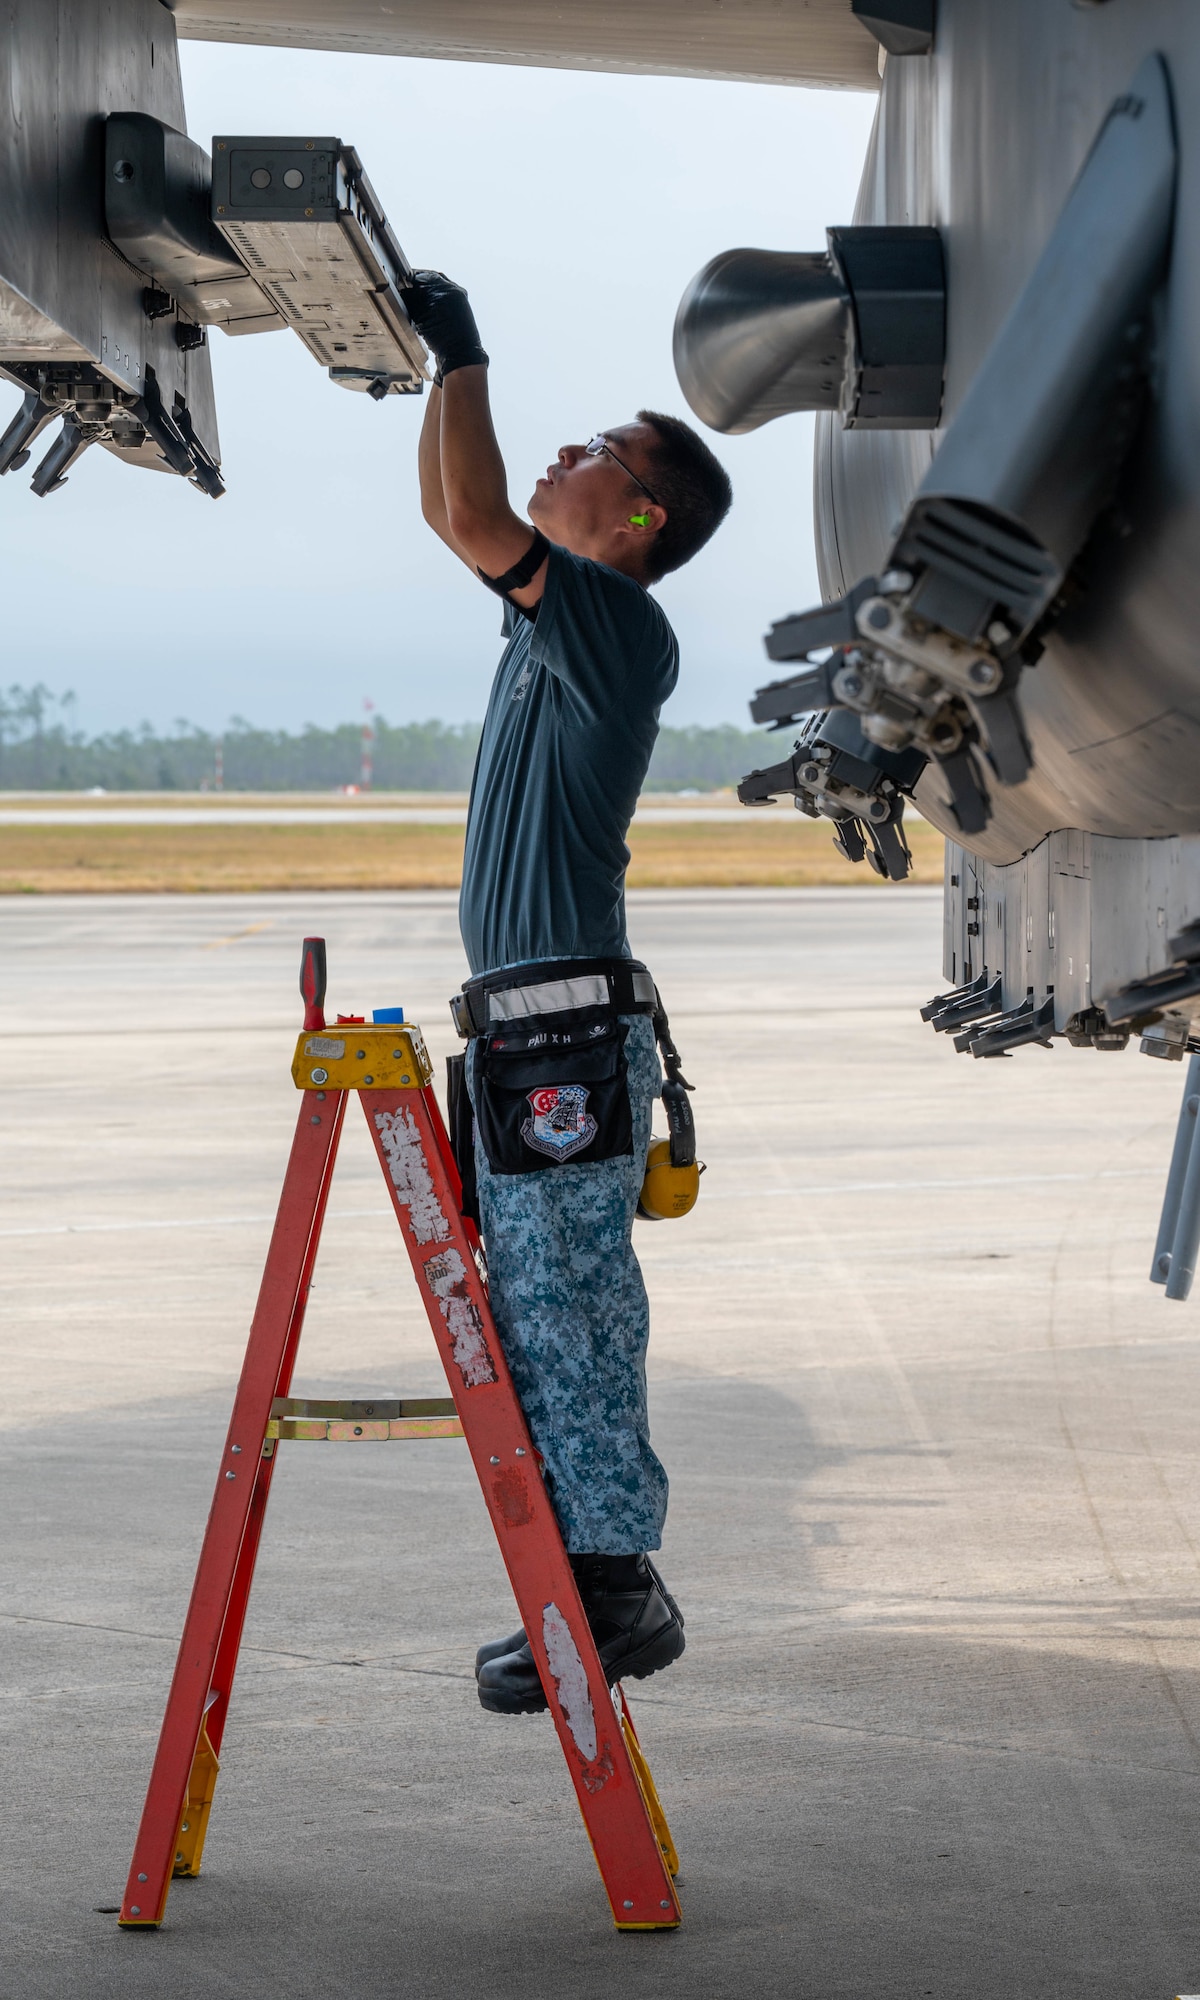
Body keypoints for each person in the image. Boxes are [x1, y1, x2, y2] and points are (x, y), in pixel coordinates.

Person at [406, 270, 731, 1715]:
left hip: (564, 1038)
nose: (562, 456)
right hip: (530, 1030)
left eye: (595, 449)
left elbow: (476, 521)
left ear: (637, 519)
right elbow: (456, 520)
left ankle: (615, 1596)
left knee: (572, 1310)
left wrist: (468, 353)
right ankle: (597, 1582)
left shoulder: (611, 623)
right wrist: (437, 376)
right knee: (542, 1308)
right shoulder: (548, 627)